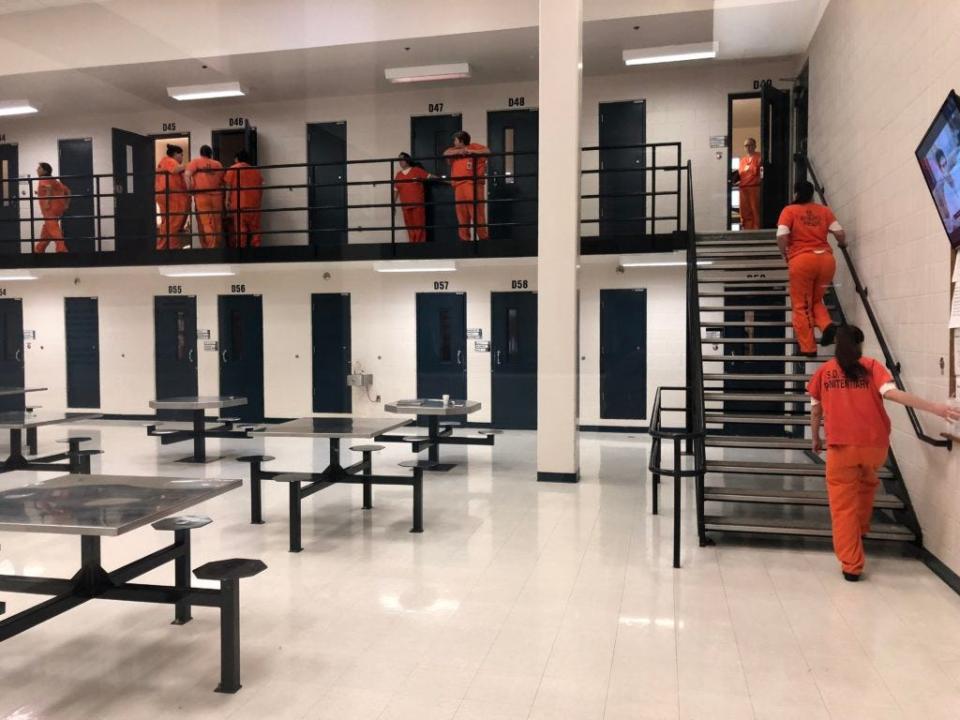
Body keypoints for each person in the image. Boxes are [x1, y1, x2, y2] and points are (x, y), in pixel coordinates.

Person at [808, 325, 960, 581]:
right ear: (860, 345)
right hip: (874, 447)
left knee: (842, 507)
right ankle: (862, 528)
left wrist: (815, 438)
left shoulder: (824, 373)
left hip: (841, 449)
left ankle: (852, 566)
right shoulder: (871, 366)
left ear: (836, 345)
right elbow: (893, 394)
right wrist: (934, 407)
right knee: (867, 485)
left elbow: (815, 411)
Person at [777, 180, 846, 357]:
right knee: (815, 300)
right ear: (812, 194)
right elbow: (839, 233)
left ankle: (808, 348)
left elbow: (782, 236)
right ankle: (827, 326)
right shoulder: (824, 211)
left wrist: (785, 253)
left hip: (802, 261)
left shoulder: (789, 211)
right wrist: (842, 245)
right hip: (826, 261)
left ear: (796, 194)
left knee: (801, 305)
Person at [443, 131, 489, 241]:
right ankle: (464, 240)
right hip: (459, 186)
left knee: (477, 213)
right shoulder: (454, 150)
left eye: (455, 140)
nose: (454, 142)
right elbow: (446, 153)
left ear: (461, 140)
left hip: (473, 184)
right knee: (462, 215)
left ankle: (483, 239)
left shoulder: (475, 146)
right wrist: (460, 151)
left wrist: (470, 151)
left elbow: (487, 151)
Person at [185, 145, 225, 249]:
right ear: (210, 154)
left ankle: (209, 248)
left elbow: (187, 175)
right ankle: (216, 247)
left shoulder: (195, 162)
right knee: (217, 223)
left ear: (201, 153)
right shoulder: (217, 164)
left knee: (206, 223)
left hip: (202, 196)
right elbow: (223, 181)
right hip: (217, 197)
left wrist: (189, 189)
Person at [225, 150, 263, 248]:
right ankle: (256, 251)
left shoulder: (233, 169)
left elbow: (228, 186)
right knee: (255, 230)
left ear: (237, 159)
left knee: (241, 231)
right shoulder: (256, 171)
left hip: (239, 204)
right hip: (254, 205)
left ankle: (241, 253)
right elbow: (261, 187)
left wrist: (227, 201)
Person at [393, 152, 432, 243]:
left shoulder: (416, 170)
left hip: (417, 204)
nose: (400, 161)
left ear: (407, 160)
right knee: (410, 227)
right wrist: (393, 205)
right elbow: (396, 191)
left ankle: (420, 246)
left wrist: (445, 180)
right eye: (399, 160)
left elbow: (429, 176)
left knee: (419, 225)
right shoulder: (398, 175)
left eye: (401, 159)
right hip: (405, 206)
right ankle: (412, 245)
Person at [155, 144, 188, 250]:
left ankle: (164, 247)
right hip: (171, 196)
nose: (182, 158)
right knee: (173, 223)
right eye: (181, 155)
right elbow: (175, 170)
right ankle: (172, 248)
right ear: (175, 154)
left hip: (166, 195)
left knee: (168, 222)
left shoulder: (164, 161)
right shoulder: (169, 161)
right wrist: (190, 165)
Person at [34, 162, 70, 253]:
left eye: (39, 168)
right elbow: (68, 191)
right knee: (47, 230)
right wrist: (66, 204)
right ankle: (39, 249)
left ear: (45, 171)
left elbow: (48, 188)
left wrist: (47, 202)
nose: (37, 170)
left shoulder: (43, 179)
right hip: (57, 209)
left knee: (54, 229)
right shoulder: (53, 180)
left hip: (49, 210)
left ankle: (62, 250)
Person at [735, 137, 762, 230]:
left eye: (750, 145)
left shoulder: (759, 157)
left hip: (754, 188)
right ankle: (747, 229)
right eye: (746, 145)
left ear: (755, 146)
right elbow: (740, 174)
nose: (748, 147)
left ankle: (756, 230)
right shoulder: (742, 161)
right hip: (743, 188)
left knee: (755, 210)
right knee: (744, 211)